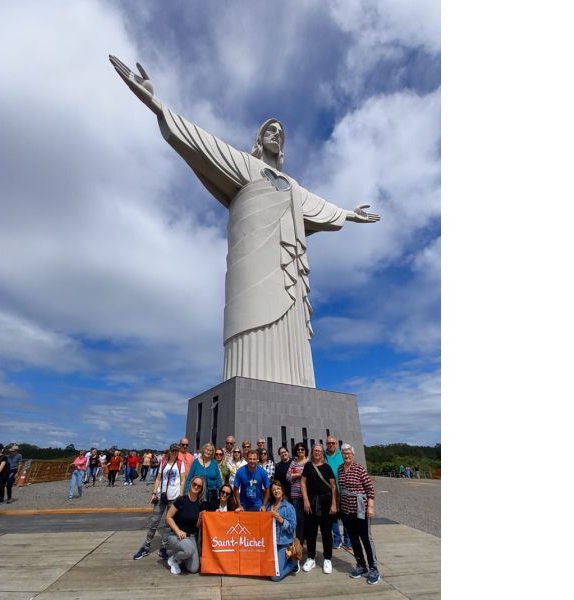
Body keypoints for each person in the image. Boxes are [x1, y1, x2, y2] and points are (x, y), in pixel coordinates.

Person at [109, 56, 381, 388]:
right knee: (250, 332)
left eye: (281, 133)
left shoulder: (293, 186)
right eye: (271, 130)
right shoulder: (245, 166)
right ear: (259, 137)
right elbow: (201, 144)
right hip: (251, 270)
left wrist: (349, 214)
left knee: (292, 334)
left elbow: (318, 206)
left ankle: (298, 385)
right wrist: (155, 103)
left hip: (287, 275)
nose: (277, 134)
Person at [133, 443, 186, 561]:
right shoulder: (163, 462)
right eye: (173, 450)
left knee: (168, 524)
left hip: (174, 497)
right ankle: (146, 547)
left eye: (176, 451)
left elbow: (183, 480)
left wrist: (181, 496)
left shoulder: (180, 464)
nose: (174, 453)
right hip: (161, 497)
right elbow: (158, 478)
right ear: (169, 451)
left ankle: (163, 548)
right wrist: (153, 492)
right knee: (154, 522)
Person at [337, 444, 379, 585]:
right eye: (344, 453)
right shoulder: (340, 469)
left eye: (349, 453)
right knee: (354, 539)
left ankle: (373, 568)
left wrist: (371, 507)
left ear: (353, 454)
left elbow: (370, 489)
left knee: (366, 538)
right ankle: (361, 565)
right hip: (347, 510)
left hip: (361, 509)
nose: (346, 455)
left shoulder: (359, 468)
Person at [300, 444, 338, 574]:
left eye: (319, 451)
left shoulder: (327, 467)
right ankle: (311, 557)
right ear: (312, 452)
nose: (317, 452)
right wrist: (305, 500)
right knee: (311, 532)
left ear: (322, 453)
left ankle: (327, 558)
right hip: (311, 502)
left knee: (326, 531)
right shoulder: (308, 466)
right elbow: (303, 483)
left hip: (326, 502)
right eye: (315, 450)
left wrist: (334, 503)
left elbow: (333, 486)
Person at [165, 475, 206, 574]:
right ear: (191, 484)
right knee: (189, 549)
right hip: (176, 535)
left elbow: (196, 526)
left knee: (194, 569)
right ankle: (174, 559)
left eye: (199, 486)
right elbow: (168, 517)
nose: (196, 487)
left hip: (191, 537)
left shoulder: (200, 504)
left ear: (201, 489)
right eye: (194, 484)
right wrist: (178, 531)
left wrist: (200, 518)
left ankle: (182, 557)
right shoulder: (181, 500)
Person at [264, 480, 299, 581]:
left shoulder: (289, 507)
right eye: (274, 490)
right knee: (264, 570)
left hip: (283, 544)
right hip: (270, 544)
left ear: (282, 490)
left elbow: (293, 527)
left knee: (275, 576)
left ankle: (293, 563)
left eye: (278, 489)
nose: (276, 491)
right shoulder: (268, 507)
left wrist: (282, 520)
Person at [324, 436, 351, 549]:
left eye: (333, 443)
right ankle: (337, 539)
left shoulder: (342, 454)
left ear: (336, 444)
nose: (331, 445)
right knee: (333, 516)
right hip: (330, 491)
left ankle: (348, 540)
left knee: (346, 515)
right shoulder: (323, 455)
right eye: (329, 443)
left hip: (343, 490)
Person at [184, 442, 222, 509]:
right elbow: (189, 479)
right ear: (203, 449)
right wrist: (186, 494)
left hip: (212, 495)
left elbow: (218, 479)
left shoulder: (214, 462)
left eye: (211, 451)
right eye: (207, 449)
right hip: (198, 494)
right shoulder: (196, 462)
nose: (208, 452)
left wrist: (222, 492)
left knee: (210, 516)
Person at [286, 442, 308, 546]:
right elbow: (288, 476)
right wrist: (300, 474)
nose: (300, 451)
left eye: (302, 449)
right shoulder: (293, 462)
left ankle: (309, 542)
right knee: (299, 520)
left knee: (308, 520)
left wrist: (295, 475)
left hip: (308, 495)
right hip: (296, 495)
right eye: (298, 450)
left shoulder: (309, 462)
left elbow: (310, 476)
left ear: (305, 450)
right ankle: (300, 543)